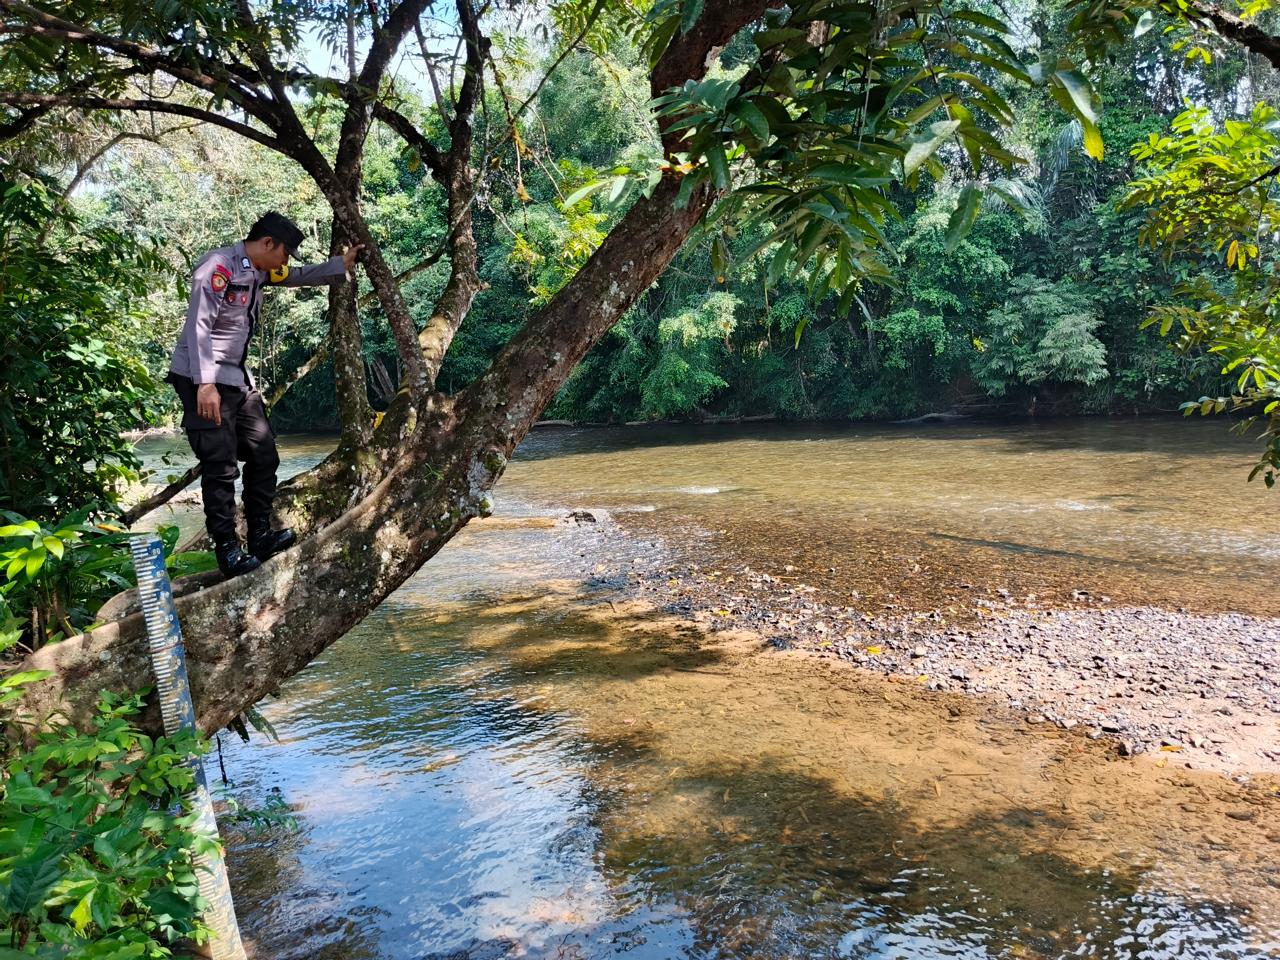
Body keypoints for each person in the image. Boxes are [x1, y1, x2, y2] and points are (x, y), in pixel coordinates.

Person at [167, 211, 362, 578]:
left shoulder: (259, 270)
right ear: (268, 243)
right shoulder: (218, 266)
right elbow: (199, 325)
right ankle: (227, 551)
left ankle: (259, 535)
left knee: (264, 453)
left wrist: (341, 264)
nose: (285, 262)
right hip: (202, 380)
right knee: (221, 466)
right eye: (285, 253)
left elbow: (298, 277)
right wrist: (205, 384)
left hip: (237, 380)